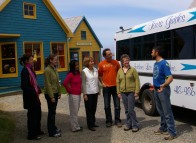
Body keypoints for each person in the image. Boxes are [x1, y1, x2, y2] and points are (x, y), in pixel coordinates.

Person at [151, 45, 177, 140]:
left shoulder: (164, 63)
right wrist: (154, 85)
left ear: (157, 52)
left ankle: (172, 132)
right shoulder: (155, 64)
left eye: (152, 51)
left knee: (167, 112)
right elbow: (157, 76)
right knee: (161, 111)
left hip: (163, 90)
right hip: (156, 89)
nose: (151, 53)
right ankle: (163, 127)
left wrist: (163, 85)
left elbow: (170, 77)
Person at [20, 53, 44, 140]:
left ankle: (37, 130)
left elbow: (33, 82)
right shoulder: (25, 71)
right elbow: (24, 86)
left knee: (38, 113)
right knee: (32, 116)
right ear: (26, 61)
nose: (33, 61)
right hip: (30, 98)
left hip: (34, 96)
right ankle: (31, 134)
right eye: (31, 59)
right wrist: (34, 91)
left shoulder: (31, 69)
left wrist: (38, 88)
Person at [98, 48, 122, 128]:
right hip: (106, 88)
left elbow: (120, 73)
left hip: (115, 87)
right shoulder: (101, 64)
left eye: (111, 53)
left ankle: (117, 120)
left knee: (117, 105)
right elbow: (100, 75)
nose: (111, 55)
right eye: (109, 54)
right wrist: (102, 83)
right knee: (107, 106)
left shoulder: (116, 63)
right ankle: (109, 121)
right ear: (105, 56)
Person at [116, 54, 140, 132]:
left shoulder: (133, 70)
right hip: (123, 92)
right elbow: (118, 82)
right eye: (125, 60)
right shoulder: (120, 70)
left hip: (131, 92)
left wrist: (137, 91)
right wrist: (118, 92)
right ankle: (128, 124)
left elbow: (137, 80)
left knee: (131, 109)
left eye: (128, 60)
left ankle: (135, 125)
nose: (127, 61)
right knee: (126, 109)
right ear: (122, 62)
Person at [44, 54, 61, 137]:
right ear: (50, 60)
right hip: (50, 94)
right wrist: (51, 97)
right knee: (51, 113)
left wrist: (59, 92)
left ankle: (53, 127)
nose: (56, 61)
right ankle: (51, 132)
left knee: (53, 112)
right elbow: (48, 84)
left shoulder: (54, 69)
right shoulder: (47, 70)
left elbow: (57, 82)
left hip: (55, 93)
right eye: (55, 59)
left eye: (57, 59)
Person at [63, 60, 82, 132]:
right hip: (73, 95)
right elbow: (65, 83)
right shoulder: (70, 74)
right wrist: (69, 90)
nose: (77, 66)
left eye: (78, 65)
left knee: (75, 111)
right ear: (72, 66)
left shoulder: (78, 73)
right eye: (76, 65)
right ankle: (74, 127)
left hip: (78, 94)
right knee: (73, 112)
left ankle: (76, 125)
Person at [82, 57, 99, 131]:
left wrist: (99, 89)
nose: (92, 62)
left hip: (95, 92)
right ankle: (90, 125)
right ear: (87, 63)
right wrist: (84, 94)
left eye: (93, 61)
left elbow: (97, 81)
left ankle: (93, 122)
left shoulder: (95, 70)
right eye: (91, 61)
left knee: (94, 108)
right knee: (89, 110)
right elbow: (83, 83)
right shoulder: (84, 71)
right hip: (88, 93)